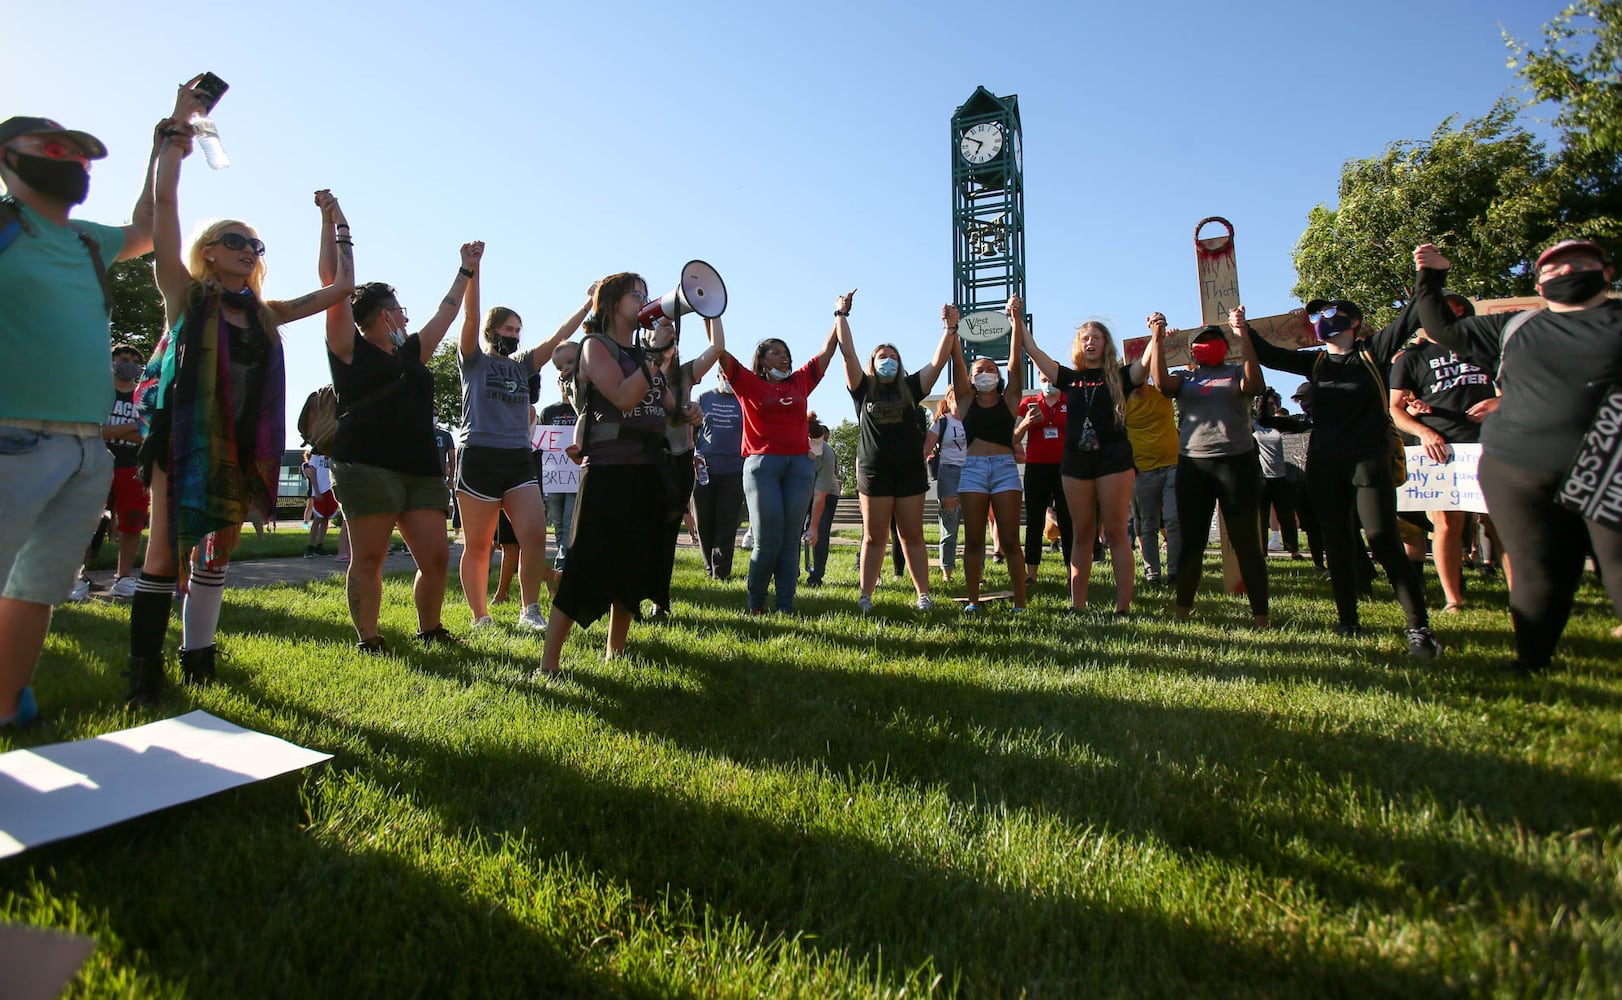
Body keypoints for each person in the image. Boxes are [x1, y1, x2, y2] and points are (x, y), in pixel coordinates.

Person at [124, 148, 354, 704]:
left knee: (216, 554)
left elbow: (341, 287)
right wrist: (169, 152)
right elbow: (164, 207)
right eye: (236, 242)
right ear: (208, 252)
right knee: (163, 552)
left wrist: (336, 220)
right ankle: (143, 674)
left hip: (242, 448)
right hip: (184, 443)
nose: (248, 252)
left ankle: (197, 658)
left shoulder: (264, 312)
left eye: (255, 246)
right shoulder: (184, 296)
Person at [0, 108, 168, 728]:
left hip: (84, 450)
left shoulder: (86, 239)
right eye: (46, 147)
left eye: (75, 152)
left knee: (38, 585)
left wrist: (163, 150)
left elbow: (147, 228)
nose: (65, 158)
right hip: (10, 433)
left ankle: (9, 704)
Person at [1414, 239, 1622, 676]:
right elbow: (1440, 327)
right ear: (1540, 284)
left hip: (1609, 467)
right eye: (1553, 268)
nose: (1566, 272)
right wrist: (1431, 276)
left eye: (1579, 264)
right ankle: (1531, 660)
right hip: (1516, 468)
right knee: (1536, 568)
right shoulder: (1515, 327)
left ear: (1605, 272)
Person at [1243, 290, 1441, 657]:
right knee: (1338, 542)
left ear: (1353, 322)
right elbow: (1270, 356)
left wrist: (1428, 274)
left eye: (1330, 313)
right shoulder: (1316, 363)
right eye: (1317, 316)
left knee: (1383, 539)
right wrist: (1243, 329)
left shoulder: (1372, 353)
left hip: (1368, 459)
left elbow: (1411, 316)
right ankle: (1348, 620)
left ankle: (1419, 628)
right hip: (1326, 463)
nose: (1322, 320)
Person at [323, 200, 478, 653]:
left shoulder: (410, 353)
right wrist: (336, 229)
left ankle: (429, 629)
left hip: (420, 468)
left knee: (433, 558)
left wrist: (465, 271)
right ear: (382, 314)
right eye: (400, 309)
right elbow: (333, 286)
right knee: (368, 557)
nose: (407, 317)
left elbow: (446, 313)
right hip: (367, 466)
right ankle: (369, 638)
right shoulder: (348, 348)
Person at [540, 273, 677, 673]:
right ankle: (548, 665)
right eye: (637, 295)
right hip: (609, 471)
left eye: (646, 295)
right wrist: (654, 358)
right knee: (585, 564)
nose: (645, 301)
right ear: (614, 303)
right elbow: (622, 396)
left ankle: (614, 654)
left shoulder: (642, 353)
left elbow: (669, 409)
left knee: (632, 567)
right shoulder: (594, 347)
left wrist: (687, 408)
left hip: (646, 470)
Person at [453, 268, 579, 632]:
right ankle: (481, 616)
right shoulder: (474, 360)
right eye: (507, 330)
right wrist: (472, 272)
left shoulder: (523, 366)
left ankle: (530, 609)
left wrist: (588, 302)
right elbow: (471, 316)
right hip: (479, 454)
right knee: (478, 544)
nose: (513, 336)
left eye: (517, 331)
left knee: (534, 533)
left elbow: (559, 335)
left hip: (518, 458)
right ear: (491, 333)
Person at [721, 298, 844, 615]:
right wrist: (712, 312)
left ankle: (786, 606)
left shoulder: (800, 380)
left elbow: (827, 353)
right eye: (774, 351)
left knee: (790, 542)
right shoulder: (747, 382)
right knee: (767, 540)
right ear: (761, 359)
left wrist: (839, 314)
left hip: (800, 467)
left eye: (786, 351)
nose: (783, 355)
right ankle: (756, 604)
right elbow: (720, 353)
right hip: (763, 466)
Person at [837, 294, 957, 613]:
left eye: (892, 355)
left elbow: (937, 363)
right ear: (872, 362)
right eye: (881, 356)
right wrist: (841, 314)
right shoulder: (863, 388)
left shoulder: (911, 387)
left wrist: (950, 328)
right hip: (874, 473)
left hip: (909, 473)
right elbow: (847, 352)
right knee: (874, 538)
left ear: (900, 361)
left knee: (911, 535)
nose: (886, 359)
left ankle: (923, 595)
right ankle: (865, 596)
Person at [1149, 314, 1269, 628]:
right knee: (1192, 542)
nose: (1207, 344)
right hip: (1193, 465)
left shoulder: (1234, 372)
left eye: (1214, 339)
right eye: (1201, 341)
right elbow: (1161, 385)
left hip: (1237, 462)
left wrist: (1244, 335)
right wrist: (1157, 338)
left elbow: (1255, 385)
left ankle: (1261, 616)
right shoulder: (1185, 379)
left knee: (1246, 543)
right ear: (1192, 351)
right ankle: (1183, 610)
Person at [1024, 317, 1147, 614]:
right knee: (1081, 533)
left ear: (1106, 344)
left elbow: (1145, 365)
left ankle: (1123, 608)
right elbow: (1034, 351)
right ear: (1078, 346)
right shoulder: (1069, 378)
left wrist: (1157, 335)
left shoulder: (1120, 375)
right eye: (1085, 339)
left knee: (1117, 530)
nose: (1090, 343)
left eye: (1096, 338)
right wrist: (1017, 321)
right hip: (1076, 461)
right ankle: (1077, 605)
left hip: (1113, 460)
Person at [1388, 294, 1499, 613]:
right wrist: (1424, 431)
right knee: (1445, 523)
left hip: (1488, 444)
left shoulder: (1485, 347)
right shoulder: (1412, 357)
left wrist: (1498, 403)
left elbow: (1515, 385)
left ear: (1460, 313)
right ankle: (1454, 599)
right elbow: (1396, 408)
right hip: (1440, 452)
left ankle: (1521, 590)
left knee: (1498, 522)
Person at [947, 296, 1028, 612]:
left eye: (990, 368)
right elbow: (956, 361)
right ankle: (972, 602)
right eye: (979, 369)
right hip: (973, 470)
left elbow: (1015, 361)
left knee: (1009, 542)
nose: (986, 373)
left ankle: (1020, 603)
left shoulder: (1010, 399)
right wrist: (952, 328)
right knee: (974, 541)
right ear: (971, 378)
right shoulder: (966, 401)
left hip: (1005, 468)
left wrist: (1015, 321)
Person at [650, 315, 725, 621]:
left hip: (680, 459)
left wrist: (713, 311)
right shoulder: (639, 369)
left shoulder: (685, 373)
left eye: (672, 327)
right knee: (644, 531)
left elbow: (717, 347)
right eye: (660, 327)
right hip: (647, 457)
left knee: (667, 532)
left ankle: (660, 602)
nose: (668, 327)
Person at [1124, 338, 1181, 588]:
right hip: (1142, 471)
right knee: (1145, 523)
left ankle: (1176, 571)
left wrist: (1165, 343)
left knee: (1173, 520)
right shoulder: (1123, 402)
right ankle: (1152, 572)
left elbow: (1175, 373)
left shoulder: (1162, 391)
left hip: (1172, 466)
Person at [1015, 370, 1071, 588]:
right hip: (1036, 466)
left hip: (1065, 467)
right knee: (1034, 521)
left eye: (1052, 379)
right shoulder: (1028, 402)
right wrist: (1026, 423)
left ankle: (1071, 573)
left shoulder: (1070, 400)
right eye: (1044, 380)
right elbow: (1014, 437)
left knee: (1067, 521)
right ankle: (1032, 574)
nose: (1048, 383)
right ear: (1039, 381)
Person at [104, 343, 150, 597]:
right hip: (98, 464)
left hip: (133, 468)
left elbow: (147, 433)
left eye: (133, 360)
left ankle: (123, 577)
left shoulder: (142, 397)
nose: (128, 363)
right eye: (123, 358)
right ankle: (79, 576)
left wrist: (111, 432)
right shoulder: (100, 392)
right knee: (90, 522)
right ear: (112, 361)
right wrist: (130, 429)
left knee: (132, 524)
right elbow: (92, 428)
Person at [694, 365, 746, 580]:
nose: (727, 380)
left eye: (731, 377)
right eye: (724, 376)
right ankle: (709, 568)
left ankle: (722, 572)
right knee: (704, 522)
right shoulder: (704, 398)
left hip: (734, 470)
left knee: (726, 523)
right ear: (718, 376)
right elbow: (692, 430)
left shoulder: (743, 401)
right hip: (704, 469)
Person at [538, 342, 579, 570]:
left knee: (569, 519)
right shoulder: (549, 412)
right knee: (558, 523)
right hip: (555, 477)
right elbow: (543, 445)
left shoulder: (581, 407)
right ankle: (563, 561)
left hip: (575, 476)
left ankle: (563, 564)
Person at [1252, 389, 1301, 560]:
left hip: (1282, 477)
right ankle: (1261, 551)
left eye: (1273, 404)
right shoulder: (1254, 425)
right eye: (1266, 404)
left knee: (1286, 515)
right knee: (1261, 516)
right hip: (1261, 477)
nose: (1270, 407)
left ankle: (1293, 550)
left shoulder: (1284, 424)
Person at [924, 392, 968, 583]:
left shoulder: (974, 419)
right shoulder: (942, 422)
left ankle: (978, 573)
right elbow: (926, 449)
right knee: (949, 525)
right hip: (949, 472)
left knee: (976, 526)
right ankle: (947, 572)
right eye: (956, 398)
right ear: (949, 400)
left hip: (973, 471)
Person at [804, 415, 841, 587]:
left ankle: (816, 576)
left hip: (826, 491)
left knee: (820, 531)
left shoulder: (827, 453)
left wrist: (813, 526)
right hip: (801, 490)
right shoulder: (790, 446)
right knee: (792, 531)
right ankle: (789, 572)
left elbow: (821, 494)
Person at [304, 447, 339, 558]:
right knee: (318, 518)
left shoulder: (330, 454)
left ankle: (320, 545)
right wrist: (317, 491)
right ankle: (310, 547)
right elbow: (313, 474)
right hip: (320, 491)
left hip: (330, 490)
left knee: (325, 519)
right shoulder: (315, 456)